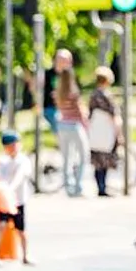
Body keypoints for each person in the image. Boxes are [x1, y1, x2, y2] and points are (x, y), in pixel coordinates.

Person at [42, 50, 90, 198]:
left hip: (62, 121)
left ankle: (69, 186)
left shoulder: (58, 92)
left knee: (68, 156)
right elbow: (79, 110)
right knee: (82, 155)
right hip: (70, 122)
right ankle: (77, 186)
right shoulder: (70, 89)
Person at [0, 130, 34, 266]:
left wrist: (11, 188)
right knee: (1, 226)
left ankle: (26, 255)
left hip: (18, 200)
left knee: (21, 230)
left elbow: (20, 176)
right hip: (4, 201)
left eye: (14, 145)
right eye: (8, 146)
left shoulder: (23, 161)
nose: (12, 148)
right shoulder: (3, 162)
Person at [86, 66, 120, 198]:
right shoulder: (106, 95)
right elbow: (113, 113)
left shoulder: (93, 95)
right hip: (105, 130)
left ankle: (100, 186)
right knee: (104, 159)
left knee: (97, 160)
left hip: (95, 130)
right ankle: (102, 187)